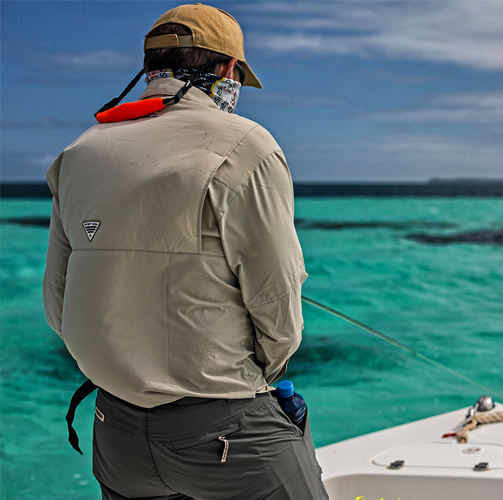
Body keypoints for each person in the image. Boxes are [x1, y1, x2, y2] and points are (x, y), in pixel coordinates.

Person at [42, 4, 328, 499]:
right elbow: (277, 306)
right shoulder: (246, 147)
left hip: (116, 434)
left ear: (150, 69)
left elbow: (58, 305)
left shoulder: (79, 153)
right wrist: (261, 378)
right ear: (228, 70)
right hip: (227, 434)